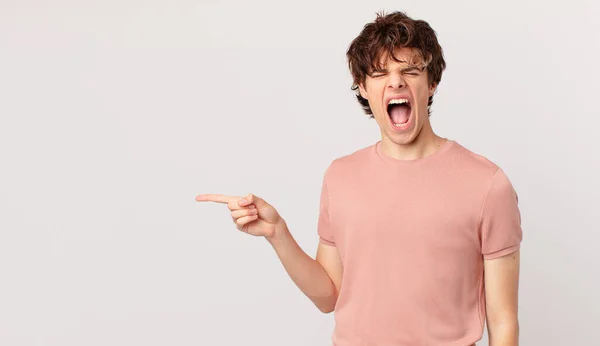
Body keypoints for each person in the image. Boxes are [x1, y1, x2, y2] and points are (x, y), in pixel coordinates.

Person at [196, 10, 522, 346]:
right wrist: (278, 233)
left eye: (409, 70)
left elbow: (504, 322)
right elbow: (328, 296)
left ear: (432, 83)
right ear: (363, 88)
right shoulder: (341, 176)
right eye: (380, 73)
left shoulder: (487, 184)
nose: (396, 81)